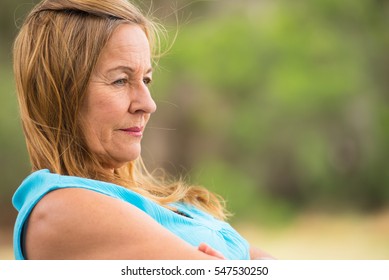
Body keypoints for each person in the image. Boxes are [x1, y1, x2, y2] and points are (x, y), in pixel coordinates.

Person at [12, 0, 272, 260]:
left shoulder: (150, 200)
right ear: (58, 95)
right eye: (121, 80)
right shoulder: (60, 209)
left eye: (146, 80)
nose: (148, 104)